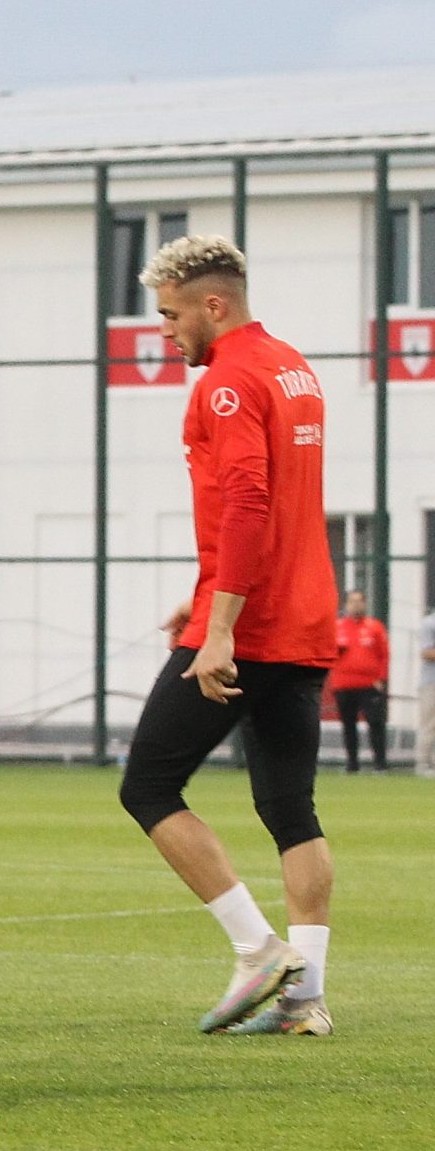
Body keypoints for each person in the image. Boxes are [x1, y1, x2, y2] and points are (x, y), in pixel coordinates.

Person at [117, 235, 337, 1037]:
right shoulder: (294, 368)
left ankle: (257, 950)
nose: (167, 332)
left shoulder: (227, 384)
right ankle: (305, 1000)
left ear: (215, 305)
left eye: (173, 315)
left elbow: (247, 505)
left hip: (253, 626)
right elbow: (272, 508)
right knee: (291, 809)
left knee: (147, 784)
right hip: (307, 617)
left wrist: (219, 627)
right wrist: (200, 594)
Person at [327, 590, 387, 772]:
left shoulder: (374, 627)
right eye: (352, 601)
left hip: (369, 684)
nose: (356, 605)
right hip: (343, 684)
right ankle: (352, 764)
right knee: (348, 725)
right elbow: (326, 651)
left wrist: (381, 678)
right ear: (346, 605)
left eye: (359, 601)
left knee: (375, 722)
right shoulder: (337, 627)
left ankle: (380, 764)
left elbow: (384, 655)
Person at [419, 606, 435, 777]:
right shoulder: (429, 623)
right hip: (431, 682)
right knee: (429, 724)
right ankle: (424, 763)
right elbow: (426, 652)